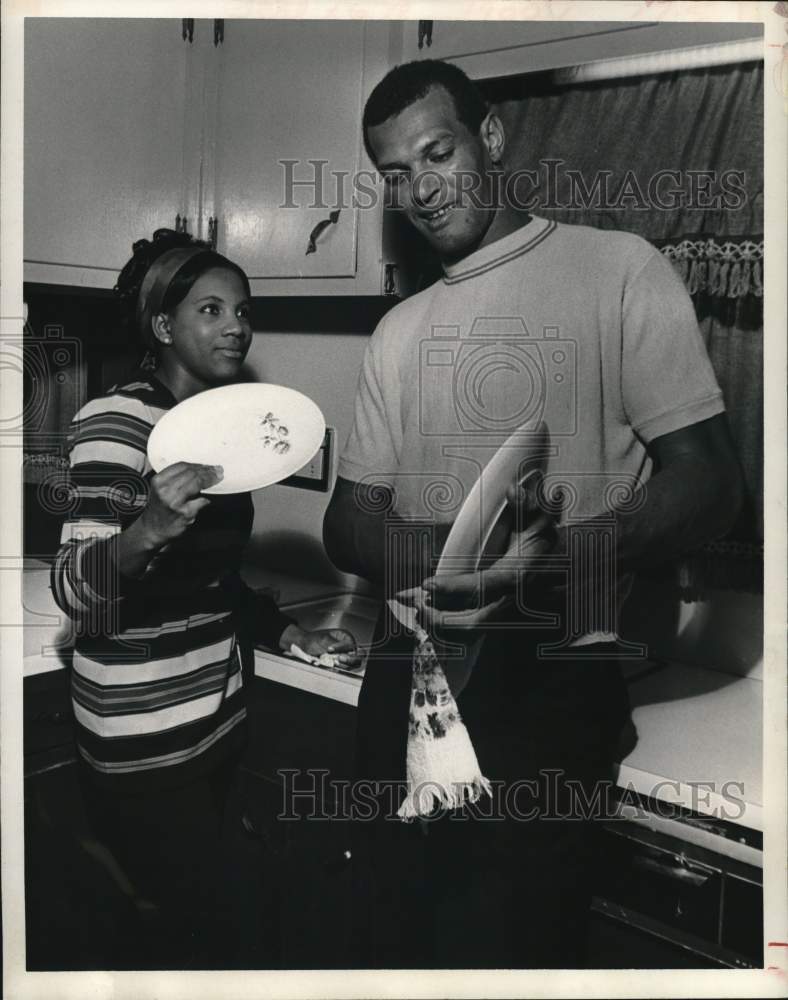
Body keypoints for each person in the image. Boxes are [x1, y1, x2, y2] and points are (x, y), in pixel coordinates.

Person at [323, 60, 743, 968]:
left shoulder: (620, 271)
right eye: (396, 173)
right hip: (407, 675)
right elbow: (346, 521)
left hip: (550, 684)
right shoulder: (401, 330)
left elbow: (710, 483)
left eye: (438, 152)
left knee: (512, 953)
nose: (421, 188)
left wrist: (551, 560)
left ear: (494, 139)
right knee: (384, 948)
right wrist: (454, 549)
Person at [51, 228, 360, 969]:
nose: (236, 327)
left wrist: (289, 634)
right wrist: (148, 529)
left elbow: (216, 580)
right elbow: (73, 588)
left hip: (216, 725)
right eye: (211, 310)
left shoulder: (224, 430)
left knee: (207, 926)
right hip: (145, 737)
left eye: (242, 311)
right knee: (195, 940)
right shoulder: (113, 423)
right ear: (163, 327)